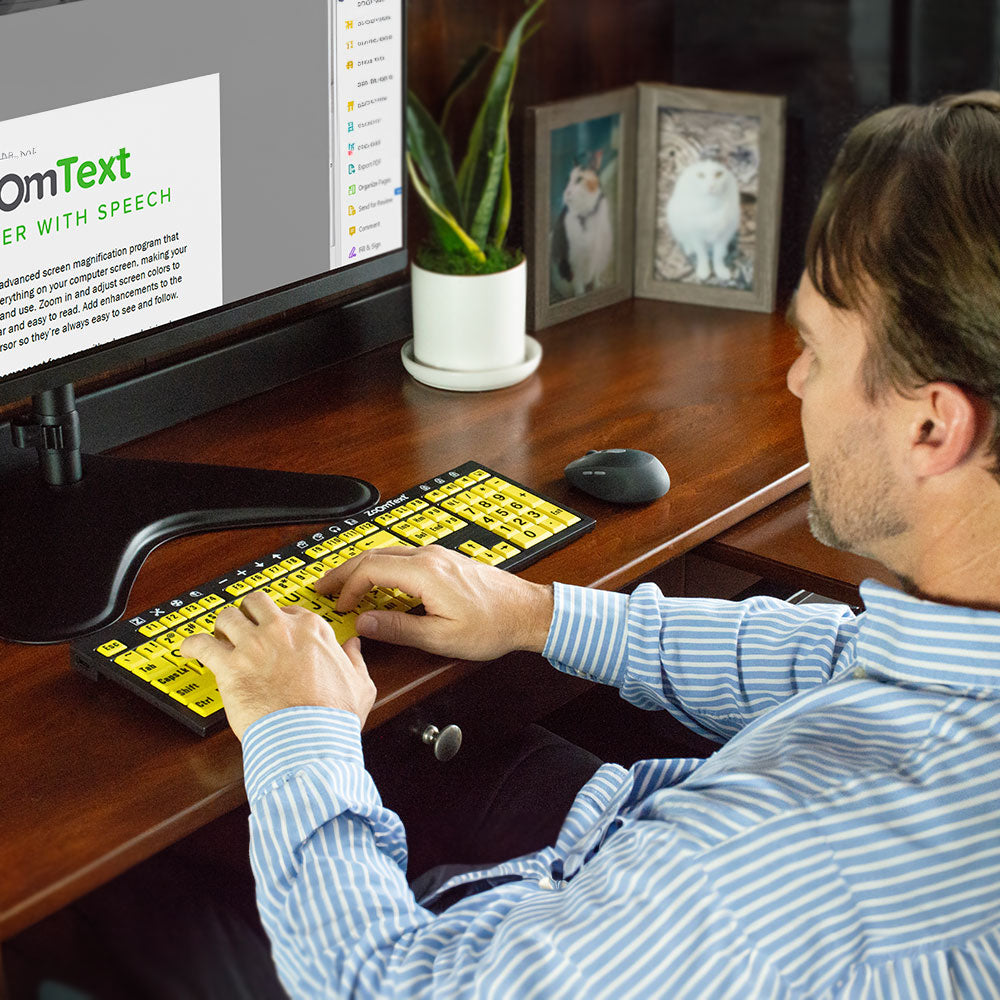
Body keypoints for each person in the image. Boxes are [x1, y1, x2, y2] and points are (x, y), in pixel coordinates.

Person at [176, 90, 1000, 998]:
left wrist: (298, 727)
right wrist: (538, 614)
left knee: (146, 895)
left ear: (933, 427)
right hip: (621, 857)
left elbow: (389, 986)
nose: (797, 379)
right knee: (452, 759)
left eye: (816, 348)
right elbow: (842, 657)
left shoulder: (771, 870)